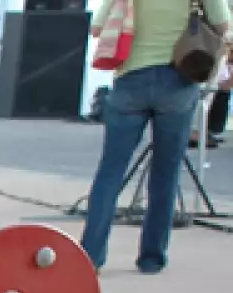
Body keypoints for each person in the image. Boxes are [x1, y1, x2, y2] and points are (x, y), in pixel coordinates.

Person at [80, 0, 230, 274]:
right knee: (165, 173)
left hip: (130, 79)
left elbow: (97, 28)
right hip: (178, 79)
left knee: (110, 172)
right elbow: (224, 25)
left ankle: (90, 256)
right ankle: (152, 257)